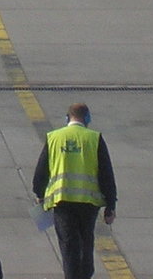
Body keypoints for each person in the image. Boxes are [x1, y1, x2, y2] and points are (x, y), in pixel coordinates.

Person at [32, 102, 117, 279]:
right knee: (86, 242)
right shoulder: (94, 138)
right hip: (88, 203)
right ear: (87, 118)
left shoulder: (54, 138)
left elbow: (40, 173)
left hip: (63, 203)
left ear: (66, 118)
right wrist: (110, 205)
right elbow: (106, 174)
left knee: (69, 245)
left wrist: (40, 195)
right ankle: (85, 274)